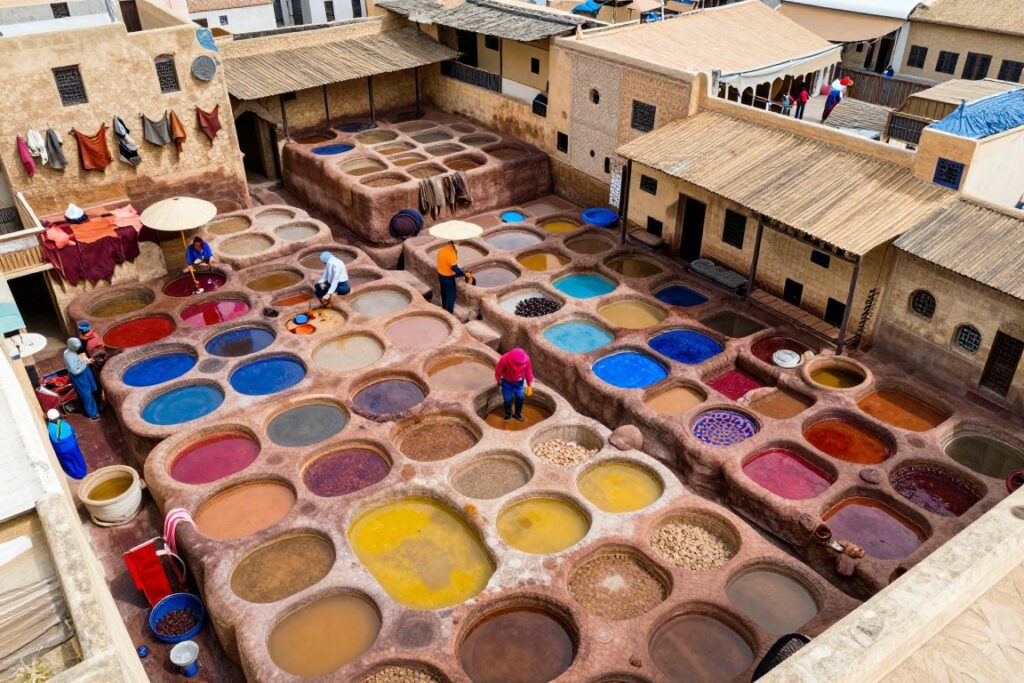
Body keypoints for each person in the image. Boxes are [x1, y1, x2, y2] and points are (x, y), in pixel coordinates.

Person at [63, 337, 100, 421]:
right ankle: (92, 414)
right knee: (86, 394)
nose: (77, 348)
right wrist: (84, 364)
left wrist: (85, 361)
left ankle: (95, 406)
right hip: (79, 377)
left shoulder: (69, 352)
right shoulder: (69, 357)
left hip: (84, 372)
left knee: (91, 389)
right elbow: (75, 371)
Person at [46, 408, 88, 479]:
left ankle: (75, 474)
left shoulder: (50, 428)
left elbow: (54, 441)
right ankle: (83, 471)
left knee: (68, 462)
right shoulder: (64, 423)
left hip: (62, 448)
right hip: (72, 444)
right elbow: (73, 432)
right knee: (77, 457)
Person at [495, 348, 534, 422]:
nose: (519, 366)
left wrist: (529, 384)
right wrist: (498, 380)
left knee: (520, 397)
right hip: (507, 382)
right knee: (507, 398)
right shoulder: (504, 359)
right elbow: (498, 371)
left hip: (519, 382)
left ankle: (518, 414)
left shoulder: (527, 359)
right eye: (517, 364)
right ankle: (508, 414)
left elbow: (529, 371)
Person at [436, 240, 472, 314]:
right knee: (451, 295)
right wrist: (463, 273)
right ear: (454, 244)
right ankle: (449, 313)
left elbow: (444, 263)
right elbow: (454, 267)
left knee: (444, 293)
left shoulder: (442, 250)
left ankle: (444, 308)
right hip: (448, 278)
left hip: (440, 275)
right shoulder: (451, 253)